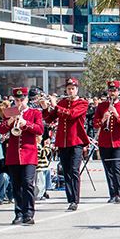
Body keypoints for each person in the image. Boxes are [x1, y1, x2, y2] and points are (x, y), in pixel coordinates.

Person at [41, 77, 89, 211]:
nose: (70, 91)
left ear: (77, 89)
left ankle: (75, 199)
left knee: (74, 170)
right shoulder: (62, 102)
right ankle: (70, 198)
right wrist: (45, 107)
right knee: (66, 171)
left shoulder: (82, 103)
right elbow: (49, 119)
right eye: (68, 89)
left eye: (72, 89)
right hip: (62, 141)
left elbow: (72, 115)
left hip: (76, 141)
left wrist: (55, 105)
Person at [0, 87, 44, 225]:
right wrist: (10, 121)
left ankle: (29, 213)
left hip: (29, 154)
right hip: (13, 155)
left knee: (28, 184)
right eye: (17, 100)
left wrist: (26, 123)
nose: (19, 103)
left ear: (27, 99)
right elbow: (1, 129)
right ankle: (18, 213)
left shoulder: (34, 112)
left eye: (22, 100)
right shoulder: (10, 113)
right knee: (16, 185)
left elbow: (40, 129)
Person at [93, 81, 120, 203]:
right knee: (108, 169)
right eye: (110, 90)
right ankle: (112, 194)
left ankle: (118, 193)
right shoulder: (101, 106)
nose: (112, 92)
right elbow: (95, 124)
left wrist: (116, 115)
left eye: (114, 90)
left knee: (116, 167)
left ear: (118, 92)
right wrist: (104, 118)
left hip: (119, 142)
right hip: (105, 143)